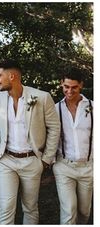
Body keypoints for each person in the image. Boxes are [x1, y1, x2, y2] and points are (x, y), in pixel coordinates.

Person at [0, 59, 60, 224]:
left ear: (11, 76)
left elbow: (54, 128)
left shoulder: (41, 97)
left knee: (30, 207)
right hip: (5, 161)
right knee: (6, 207)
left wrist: (46, 159)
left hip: (32, 161)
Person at [52, 67, 93, 224]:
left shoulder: (94, 107)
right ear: (61, 84)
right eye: (66, 86)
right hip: (64, 167)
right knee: (69, 210)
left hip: (88, 167)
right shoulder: (54, 109)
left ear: (81, 85)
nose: (69, 91)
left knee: (84, 211)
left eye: (74, 87)